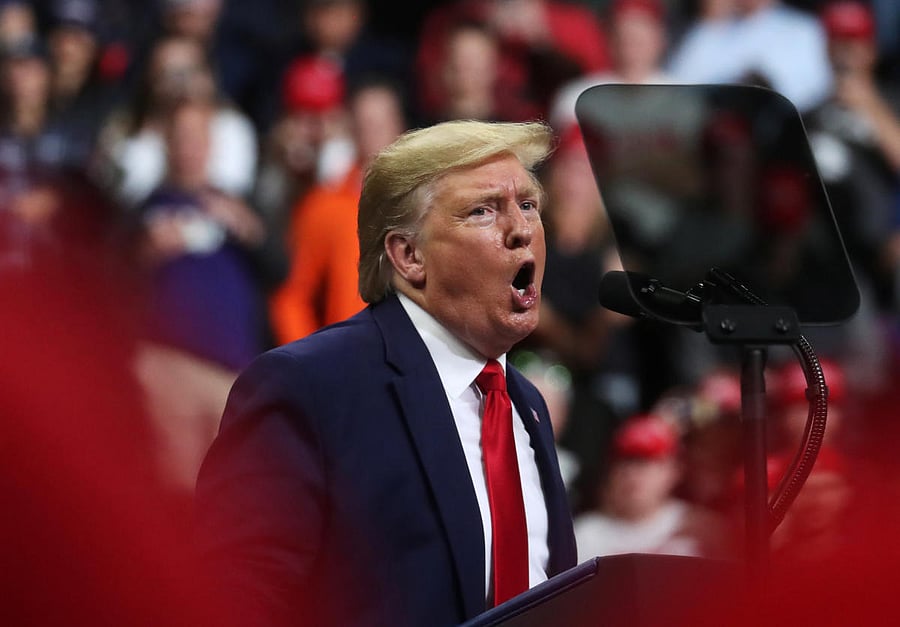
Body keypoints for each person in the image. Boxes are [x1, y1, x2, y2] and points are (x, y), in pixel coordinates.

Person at [194, 119, 577, 626]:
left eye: (528, 205)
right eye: (483, 210)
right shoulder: (308, 387)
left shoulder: (526, 405)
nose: (522, 229)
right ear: (409, 255)